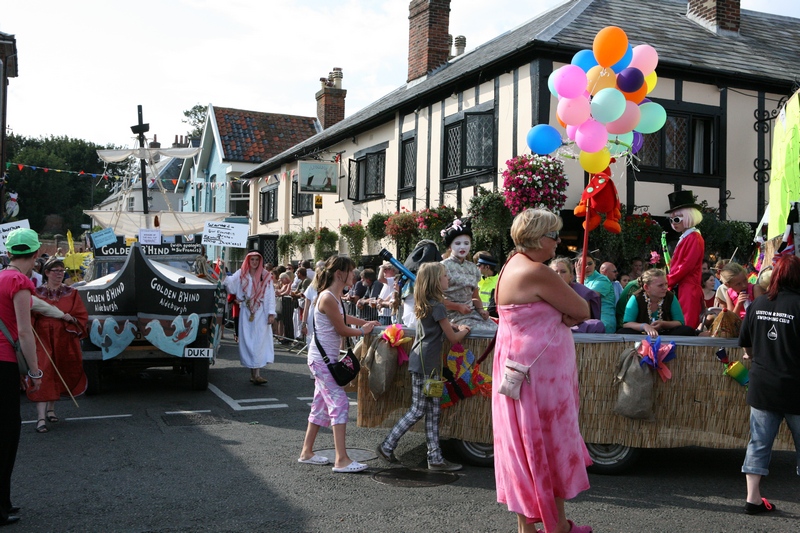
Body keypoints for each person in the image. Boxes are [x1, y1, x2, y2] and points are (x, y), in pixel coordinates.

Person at [492, 208, 592, 533]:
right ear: (537, 238)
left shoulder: (511, 265)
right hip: (540, 376)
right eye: (553, 236)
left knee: (522, 448)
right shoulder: (538, 271)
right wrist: (562, 315)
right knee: (546, 446)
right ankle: (557, 527)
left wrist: (558, 313)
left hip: (517, 369)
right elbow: (581, 309)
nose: (558, 242)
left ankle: (529, 528)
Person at [377, 262, 471, 471]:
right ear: (436, 281)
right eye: (445, 276)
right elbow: (453, 338)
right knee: (420, 409)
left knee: (432, 410)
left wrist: (454, 326)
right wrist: (464, 329)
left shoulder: (427, 302)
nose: (448, 279)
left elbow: (438, 327)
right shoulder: (437, 305)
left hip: (424, 361)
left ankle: (435, 457)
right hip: (427, 364)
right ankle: (387, 445)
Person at [298, 256, 379, 472]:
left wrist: (365, 323)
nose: (354, 275)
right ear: (340, 274)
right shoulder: (327, 297)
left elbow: (344, 318)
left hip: (323, 359)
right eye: (351, 271)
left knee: (320, 405)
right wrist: (364, 331)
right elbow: (342, 329)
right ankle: (341, 459)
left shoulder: (333, 297)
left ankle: (307, 452)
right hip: (322, 361)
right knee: (339, 404)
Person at [738, 254, 800, 515]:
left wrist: (757, 355)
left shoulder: (758, 303)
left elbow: (747, 346)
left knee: (758, 443)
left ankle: (752, 499)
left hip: (763, 384)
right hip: (796, 386)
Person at [0, 228, 44, 527]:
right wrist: (35, 370)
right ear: (36, 254)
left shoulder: (1, 276)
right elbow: (25, 331)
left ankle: (3, 503)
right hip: (3, 362)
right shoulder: (19, 281)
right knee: (6, 436)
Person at [26, 258, 88, 433]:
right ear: (46, 273)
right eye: (56, 270)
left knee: (59, 371)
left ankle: (51, 410)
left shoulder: (72, 293)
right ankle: (40, 418)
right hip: (42, 339)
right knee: (42, 371)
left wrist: (72, 320)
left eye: (62, 270)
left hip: (64, 338)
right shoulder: (36, 293)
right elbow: (27, 314)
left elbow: (81, 316)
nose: (60, 273)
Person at [223, 252, 276, 385]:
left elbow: (270, 295)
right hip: (246, 311)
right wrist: (222, 270)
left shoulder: (265, 276)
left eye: (256, 260)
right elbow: (230, 285)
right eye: (252, 259)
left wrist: (271, 313)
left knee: (259, 341)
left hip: (260, 312)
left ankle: (257, 373)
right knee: (248, 341)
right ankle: (253, 373)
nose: (254, 262)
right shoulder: (242, 273)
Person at [440, 218, 497, 335]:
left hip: (471, 313)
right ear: (450, 246)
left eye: (466, 243)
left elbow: (475, 296)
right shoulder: (441, 267)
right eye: (457, 243)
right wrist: (458, 307)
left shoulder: (472, 268)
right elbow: (435, 299)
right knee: (485, 332)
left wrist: (481, 310)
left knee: (497, 331)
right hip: (450, 316)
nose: (462, 247)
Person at [665, 190, 705, 329]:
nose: (674, 223)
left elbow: (686, 265)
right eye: (671, 220)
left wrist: (668, 280)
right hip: (682, 286)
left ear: (688, 217)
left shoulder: (694, 237)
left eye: (677, 219)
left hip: (687, 287)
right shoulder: (688, 237)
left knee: (685, 324)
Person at [617, 268, 697, 336]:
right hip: (642, 335)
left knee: (687, 330)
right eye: (660, 285)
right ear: (646, 287)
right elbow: (626, 324)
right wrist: (644, 326)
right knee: (623, 332)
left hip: (666, 334)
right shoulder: (636, 298)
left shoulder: (670, 296)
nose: (665, 288)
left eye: (666, 284)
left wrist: (663, 324)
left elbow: (680, 322)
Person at [549, 257, 605, 333]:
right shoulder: (543, 290)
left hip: (572, 328)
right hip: (549, 328)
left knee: (596, 325)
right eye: (555, 272)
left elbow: (585, 317)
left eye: (563, 272)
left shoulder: (580, 291)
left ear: (571, 276)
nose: (559, 275)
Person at [576, 254, 616, 334]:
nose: (587, 267)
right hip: (589, 321)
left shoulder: (602, 280)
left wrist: (578, 276)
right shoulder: (585, 280)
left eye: (590, 263)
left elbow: (587, 297)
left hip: (603, 323)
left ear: (594, 263)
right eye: (583, 264)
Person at [474, 251, 500, 318]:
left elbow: (493, 309)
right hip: (475, 316)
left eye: (479, 266)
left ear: (487, 267)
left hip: (489, 319)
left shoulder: (498, 282)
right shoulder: (477, 280)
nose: (477, 268)